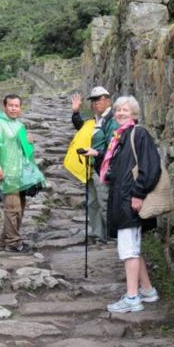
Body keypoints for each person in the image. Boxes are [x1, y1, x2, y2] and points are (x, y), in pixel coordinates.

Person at [96, 95, 162, 313]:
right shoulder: (121, 137)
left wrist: (138, 193)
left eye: (125, 110)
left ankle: (132, 298)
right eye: (117, 110)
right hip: (122, 199)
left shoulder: (138, 133)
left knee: (128, 250)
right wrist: (97, 156)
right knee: (133, 248)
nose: (120, 113)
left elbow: (150, 166)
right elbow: (116, 171)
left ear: (134, 113)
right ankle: (147, 290)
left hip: (130, 200)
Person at [0, 94, 45, 252]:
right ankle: (14, 242)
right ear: (5, 106)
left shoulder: (19, 125)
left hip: (21, 176)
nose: (13, 108)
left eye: (16, 106)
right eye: (10, 105)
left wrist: (29, 142)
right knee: (13, 209)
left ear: (20, 108)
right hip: (7, 174)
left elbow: (23, 150)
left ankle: (5, 239)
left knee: (20, 209)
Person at [71, 85, 117, 244]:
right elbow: (82, 128)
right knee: (92, 203)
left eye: (99, 100)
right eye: (93, 100)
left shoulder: (112, 120)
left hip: (103, 169)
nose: (95, 103)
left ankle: (112, 236)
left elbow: (114, 146)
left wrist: (99, 155)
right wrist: (76, 113)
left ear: (107, 100)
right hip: (91, 167)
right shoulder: (96, 119)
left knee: (105, 202)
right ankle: (99, 235)